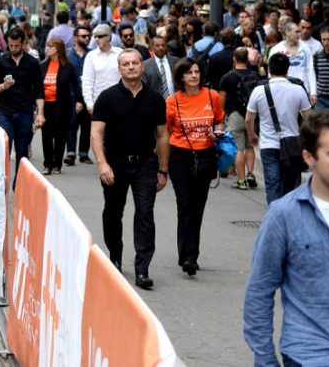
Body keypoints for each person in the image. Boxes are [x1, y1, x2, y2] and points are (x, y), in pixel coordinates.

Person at [243, 111, 329, 367]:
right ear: (309, 157)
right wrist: (265, 360)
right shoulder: (284, 215)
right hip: (309, 356)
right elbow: (259, 292)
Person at [90, 49, 169, 290]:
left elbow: (163, 134)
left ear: (142, 67)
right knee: (113, 213)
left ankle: (142, 268)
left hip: (145, 162)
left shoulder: (155, 99)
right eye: (126, 64)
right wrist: (102, 163)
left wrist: (163, 170)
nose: (132, 67)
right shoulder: (107, 97)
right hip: (115, 162)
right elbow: (96, 132)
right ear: (119, 69)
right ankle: (115, 256)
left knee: (145, 213)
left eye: (135, 63)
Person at [165, 58, 225, 277]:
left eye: (197, 72)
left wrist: (216, 133)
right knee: (185, 203)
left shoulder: (212, 96)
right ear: (181, 76)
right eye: (189, 72)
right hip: (180, 155)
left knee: (198, 206)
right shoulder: (173, 101)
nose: (194, 76)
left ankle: (192, 254)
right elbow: (167, 129)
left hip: (206, 154)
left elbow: (219, 120)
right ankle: (187, 256)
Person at [246, 53, 313, 205]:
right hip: (292, 144)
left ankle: (274, 217)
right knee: (291, 186)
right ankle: (289, 217)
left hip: (268, 145)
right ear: (288, 70)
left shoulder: (258, 90)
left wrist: (252, 134)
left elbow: (249, 118)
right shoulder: (298, 90)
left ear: (269, 69)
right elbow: (310, 118)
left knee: (272, 185)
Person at [0, 28, 45, 178]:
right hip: (5, 111)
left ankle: (18, 185)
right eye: (10, 45)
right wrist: (3, 86)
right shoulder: (0, 61)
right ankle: (1, 184)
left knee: (22, 152)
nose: (13, 48)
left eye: (16, 45)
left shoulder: (32, 62)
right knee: (4, 149)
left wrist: (40, 113)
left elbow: (39, 89)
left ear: (23, 43)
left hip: (25, 110)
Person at [219, 47, 261, 190]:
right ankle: (250, 173)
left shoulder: (228, 77)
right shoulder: (255, 76)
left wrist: (220, 117)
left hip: (235, 114)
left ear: (234, 59)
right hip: (252, 115)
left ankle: (241, 180)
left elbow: (221, 100)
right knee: (250, 146)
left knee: (238, 148)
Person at [40, 37, 83, 175]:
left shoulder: (67, 66)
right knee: (46, 135)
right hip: (46, 106)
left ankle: (57, 164)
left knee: (60, 135)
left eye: (50, 46)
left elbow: (76, 84)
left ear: (58, 48)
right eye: (47, 46)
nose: (47, 49)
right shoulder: (42, 66)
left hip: (62, 106)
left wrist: (79, 100)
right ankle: (48, 164)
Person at [268, 21, 317, 105]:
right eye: (296, 32)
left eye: (299, 31)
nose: (299, 34)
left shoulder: (305, 48)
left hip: (303, 90)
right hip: (283, 92)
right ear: (287, 32)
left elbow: (310, 70)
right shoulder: (276, 50)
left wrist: (313, 92)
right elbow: (270, 73)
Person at [64, 25, 93, 165]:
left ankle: (83, 153)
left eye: (88, 36)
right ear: (76, 38)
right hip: (71, 96)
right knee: (72, 124)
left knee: (87, 126)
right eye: (84, 36)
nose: (87, 38)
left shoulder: (92, 54)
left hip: (89, 95)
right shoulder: (68, 55)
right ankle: (70, 153)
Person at [82, 23, 123, 113]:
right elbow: (87, 81)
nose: (96, 39)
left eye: (99, 36)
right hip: (99, 102)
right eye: (95, 37)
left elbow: (125, 76)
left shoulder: (120, 53)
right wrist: (89, 104)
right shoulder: (91, 56)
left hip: (120, 101)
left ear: (108, 37)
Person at [141, 35, 178, 100]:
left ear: (166, 46)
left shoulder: (175, 61)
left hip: (175, 101)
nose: (161, 48)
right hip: (155, 103)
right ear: (152, 47)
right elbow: (144, 87)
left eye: (163, 45)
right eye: (157, 46)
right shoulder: (145, 65)